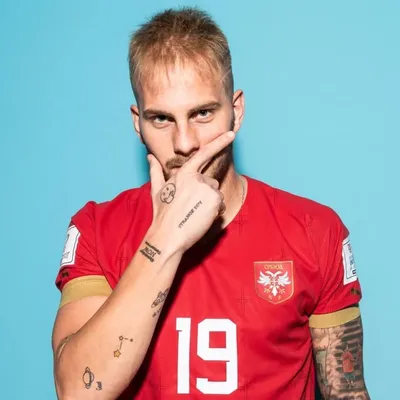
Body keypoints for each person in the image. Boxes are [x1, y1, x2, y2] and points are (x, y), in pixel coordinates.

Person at [51, 7, 370, 400]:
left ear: (236, 111)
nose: (185, 143)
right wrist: (164, 240)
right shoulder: (98, 229)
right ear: (138, 123)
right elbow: (78, 391)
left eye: (202, 114)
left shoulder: (313, 231)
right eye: (162, 119)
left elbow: (347, 393)